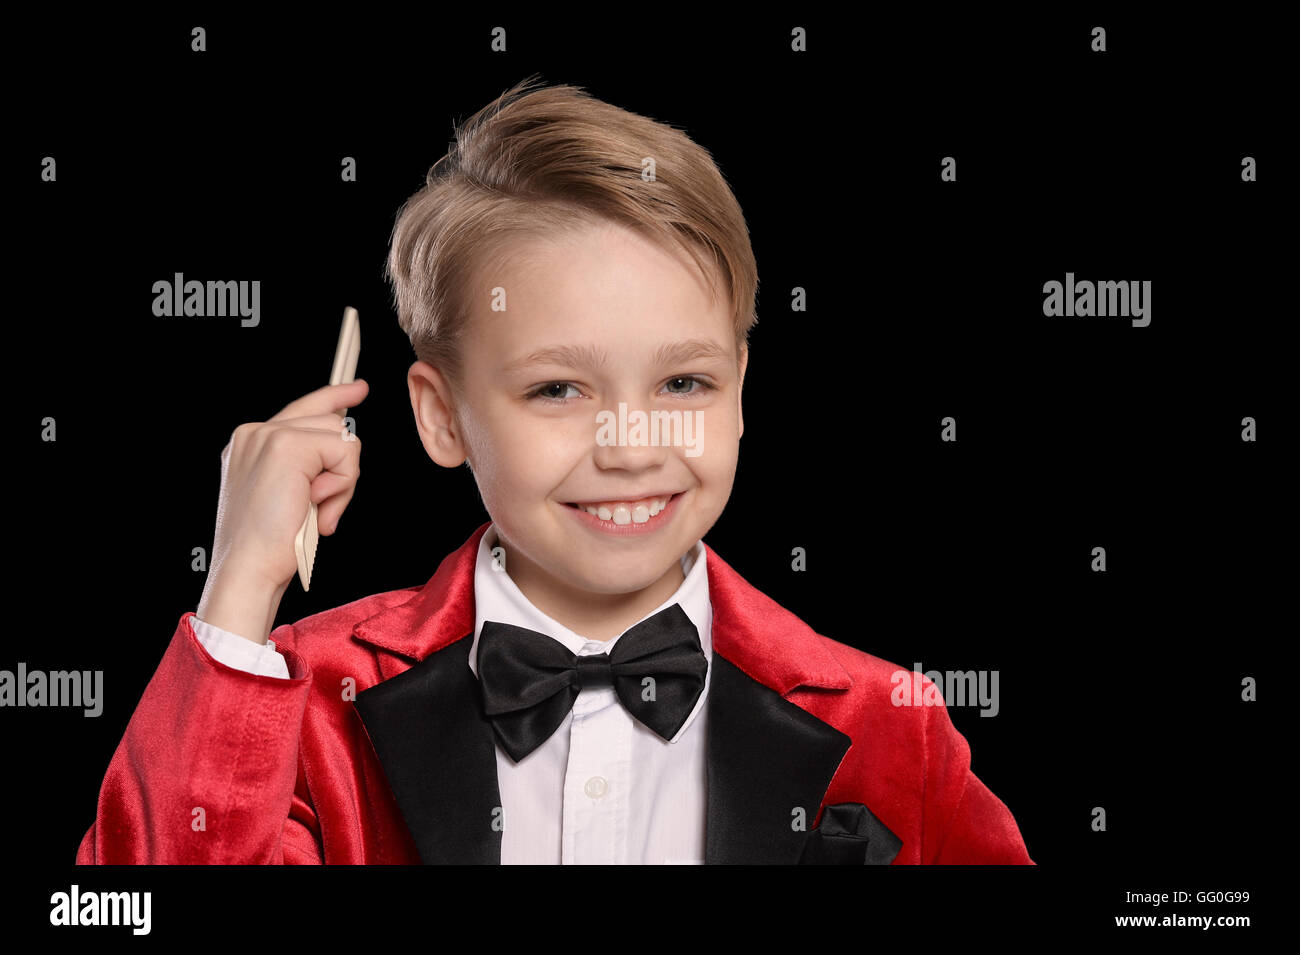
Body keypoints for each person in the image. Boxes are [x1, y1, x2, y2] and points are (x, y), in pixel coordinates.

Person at [76, 76, 1032, 864]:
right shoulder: (303, 701)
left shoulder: (892, 723)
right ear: (440, 416)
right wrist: (239, 585)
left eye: (683, 381)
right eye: (558, 391)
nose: (628, 444)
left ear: (742, 390)